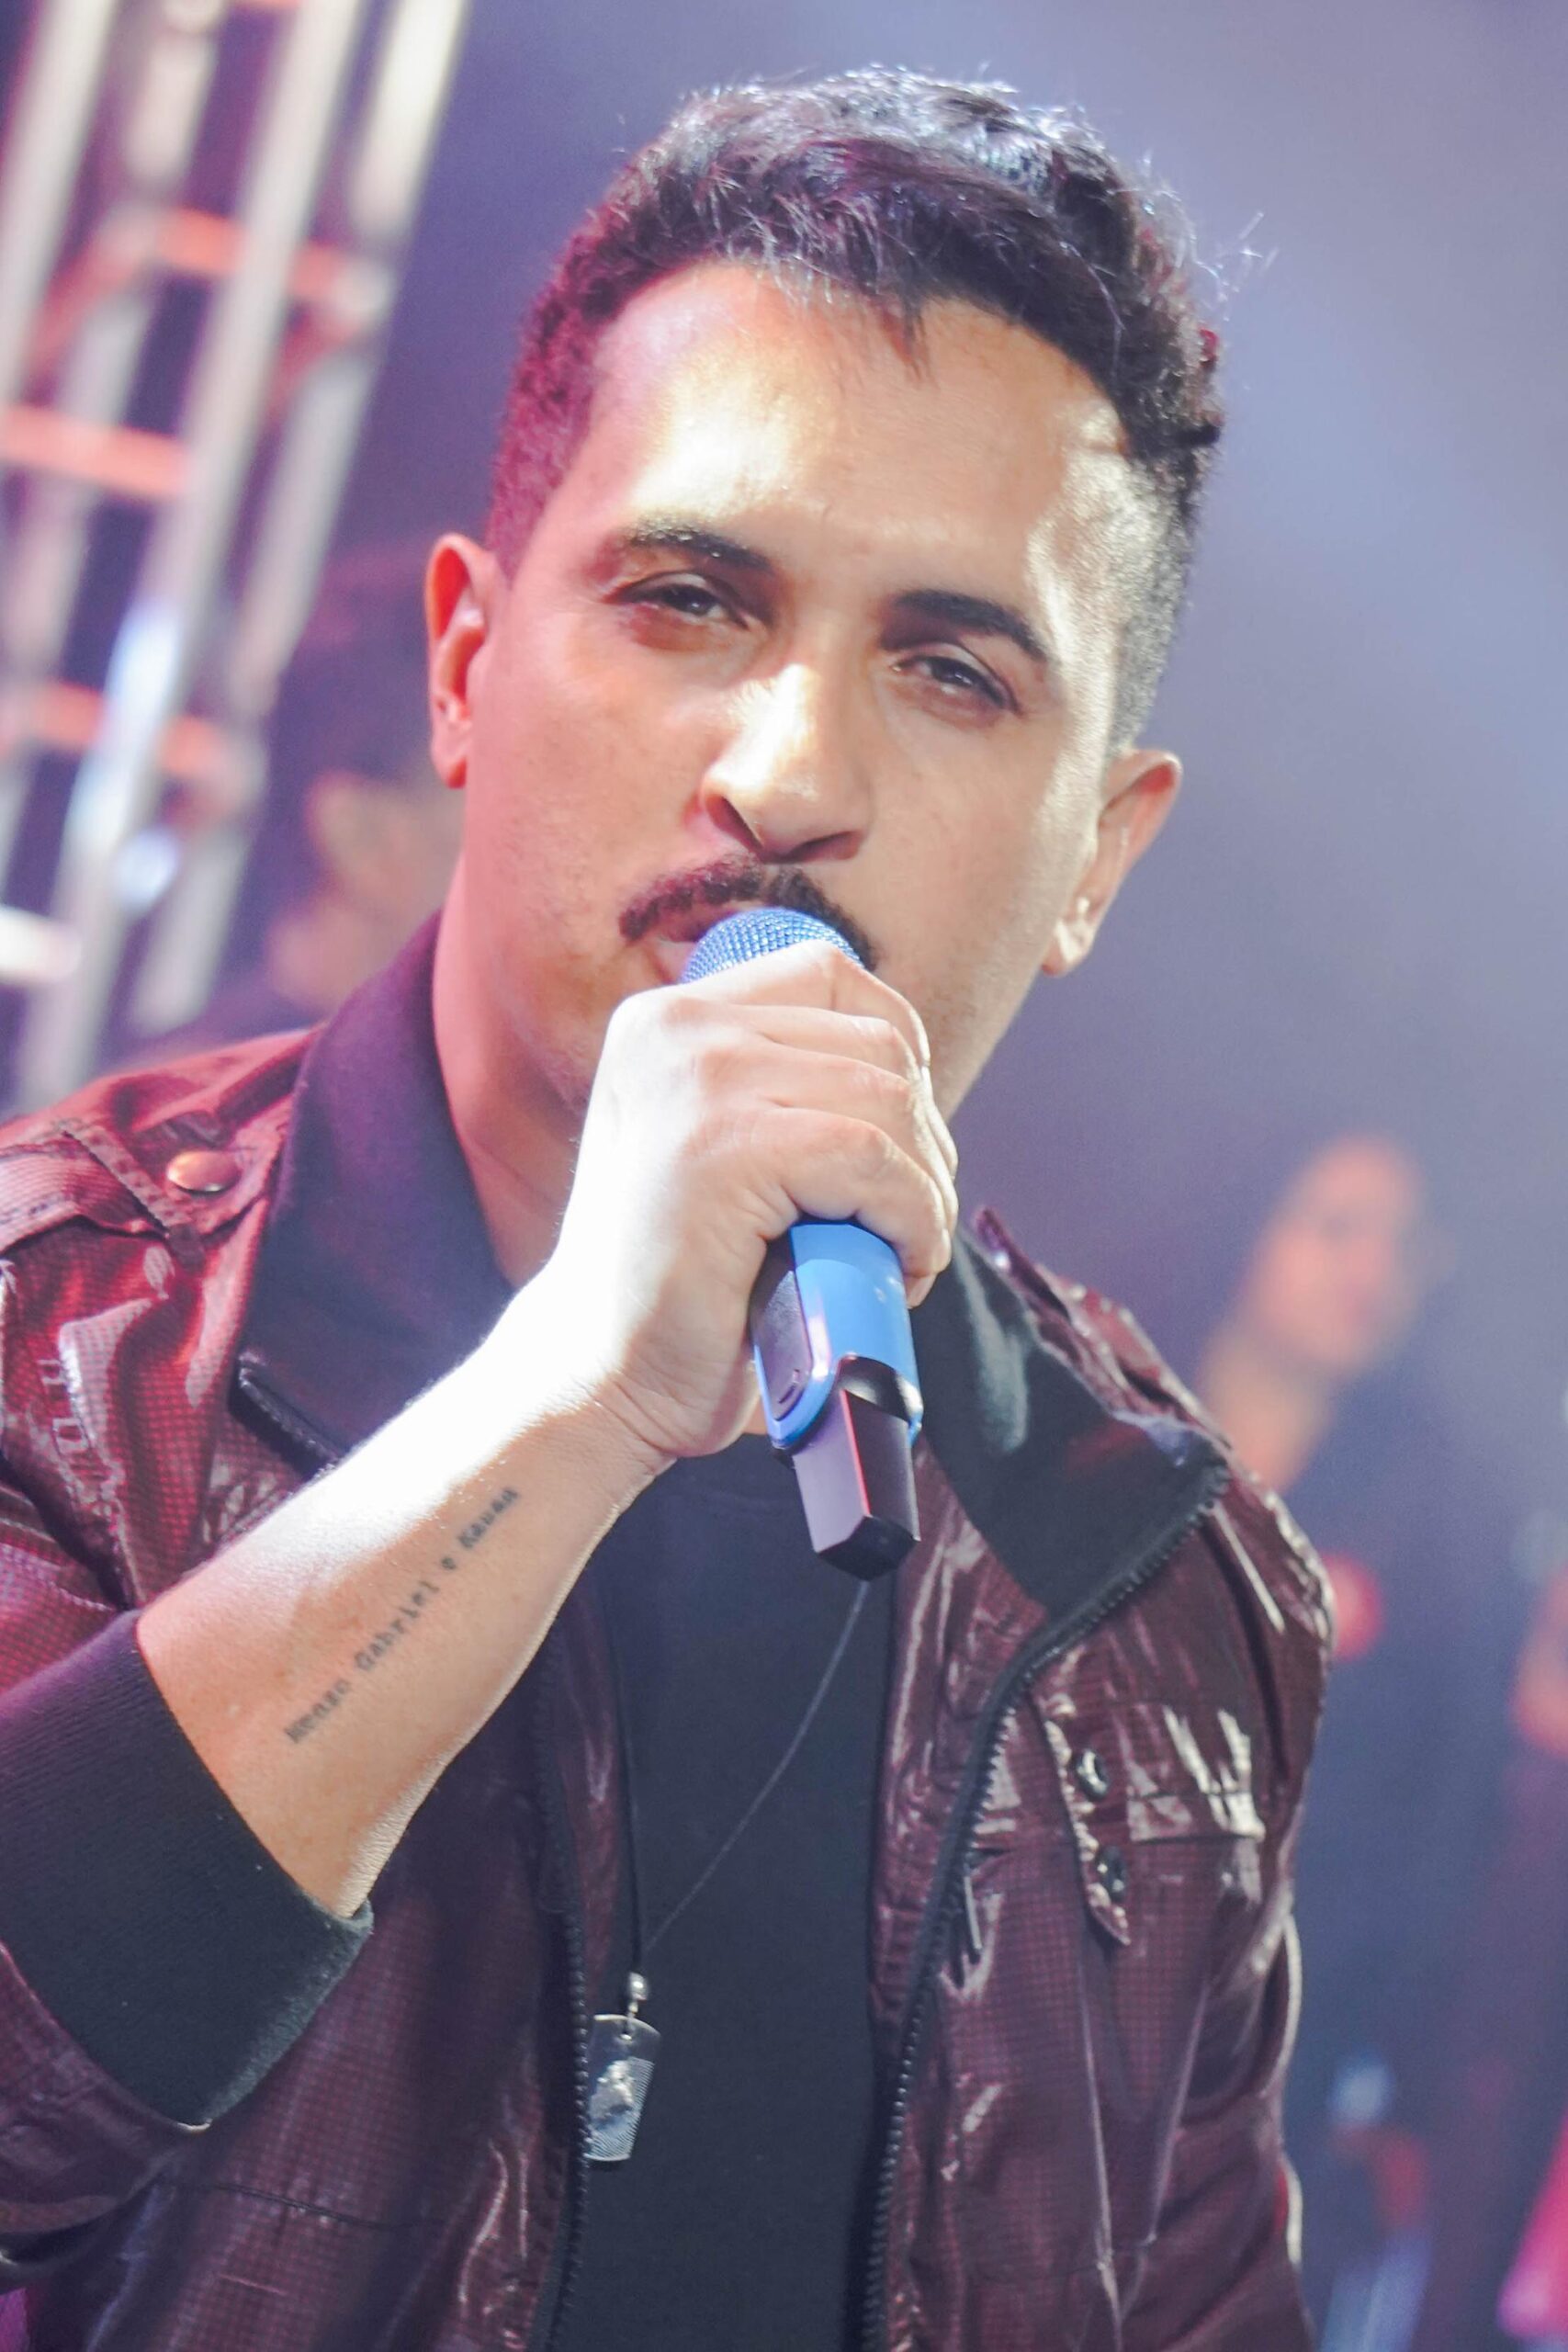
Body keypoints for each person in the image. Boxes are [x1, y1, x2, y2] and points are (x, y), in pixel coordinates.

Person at [0, 71, 1329, 2351]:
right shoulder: (59, 1324)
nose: (788, 775)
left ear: (1094, 855)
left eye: (949, 668)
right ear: (464, 666)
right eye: (691, 599)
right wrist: (575, 1392)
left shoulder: (1162, 1582)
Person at [1192, 1135, 1518, 2348]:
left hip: (1276, 2035)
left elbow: (1448, 1817)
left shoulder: (1439, 1521)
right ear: (1249, 1225)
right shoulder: (1099, 1414)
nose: (1371, 1271)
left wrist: (1389, 2073)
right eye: (1337, 1226)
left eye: (1402, 1244)